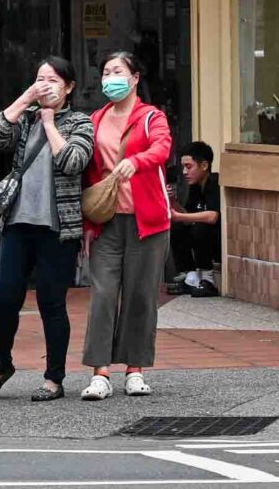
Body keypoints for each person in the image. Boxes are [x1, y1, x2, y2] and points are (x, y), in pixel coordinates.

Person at [0, 56, 92, 402]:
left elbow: (72, 161)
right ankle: (0, 366)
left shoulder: (81, 122)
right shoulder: (25, 118)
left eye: (53, 80)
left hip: (57, 229)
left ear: (68, 87)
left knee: (51, 303)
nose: (46, 85)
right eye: (40, 78)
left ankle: (54, 378)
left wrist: (51, 123)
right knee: (5, 299)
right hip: (17, 223)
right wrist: (26, 100)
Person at [79, 51, 173, 400]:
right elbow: (90, 173)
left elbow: (163, 149)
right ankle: (100, 372)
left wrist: (138, 161)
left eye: (117, 71)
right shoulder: (95, 119)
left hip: (147, 222)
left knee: (140, 295)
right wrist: (89, 222)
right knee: (103, 294)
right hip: (107, 221)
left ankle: (135, 369)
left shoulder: (151, 117)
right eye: (105, 72)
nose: (110, 78)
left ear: (135, 78)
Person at [170, 141, 222, 296]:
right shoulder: (195, 186)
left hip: (217, 242)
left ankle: (207, 280)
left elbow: (213, 216)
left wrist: (179, 216)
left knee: (201, 227)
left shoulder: (214, 183)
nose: (185, 172)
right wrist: (173, 202)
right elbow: (188, 216)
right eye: (183, 167)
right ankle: (189, 275)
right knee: (178, 227)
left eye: (189, 166)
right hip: (201, 239)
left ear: (204, 165)